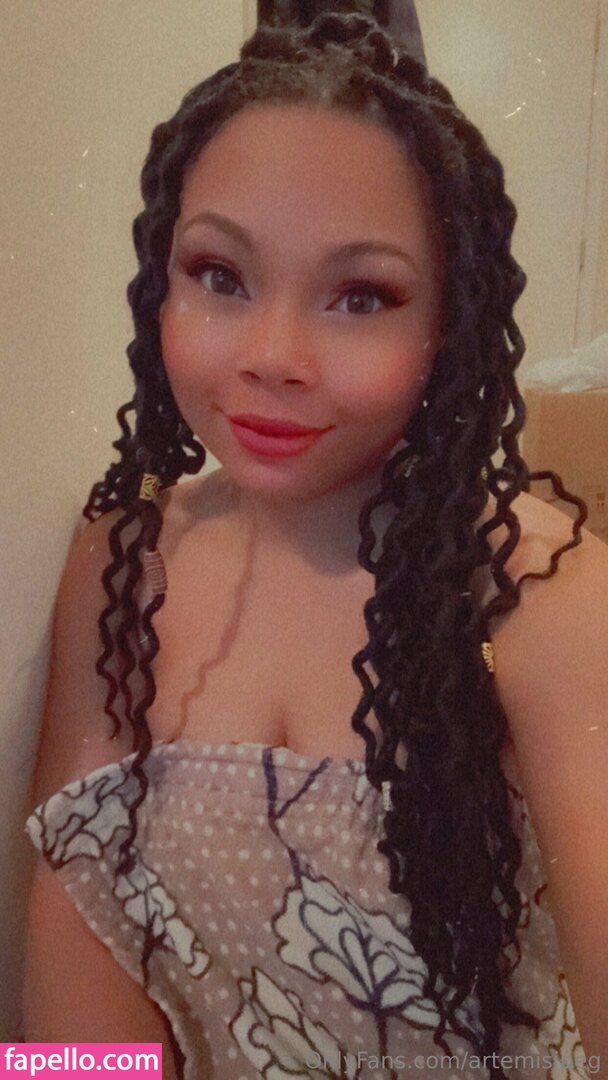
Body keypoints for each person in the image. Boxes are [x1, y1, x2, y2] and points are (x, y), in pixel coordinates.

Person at [21, 4, 608, 1078]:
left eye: (360, 295)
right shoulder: (118, 565)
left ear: (446, 325)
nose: (274, 354)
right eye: (220, 275)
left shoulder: (542, 594)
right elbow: (74, 1014)